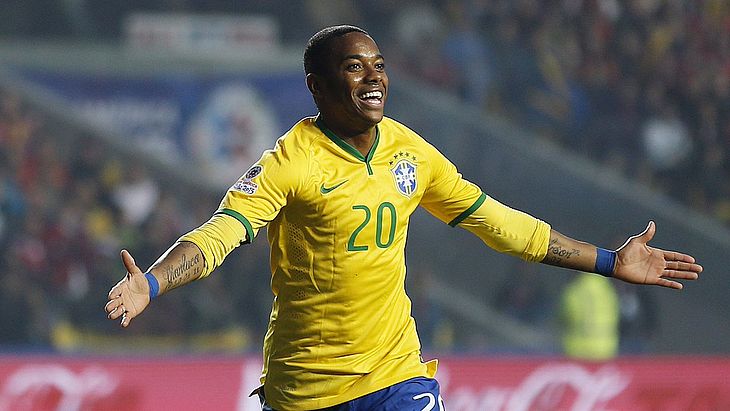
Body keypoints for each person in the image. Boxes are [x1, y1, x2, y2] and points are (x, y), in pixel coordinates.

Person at [105, 25, 702, 411]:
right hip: (306, 389)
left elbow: (495, 222)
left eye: (378, 64)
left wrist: (607, 261)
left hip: (395, 375)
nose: (374, 78)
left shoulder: (409, 151)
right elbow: (220, 234)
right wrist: (151, 282)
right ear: (317, 86)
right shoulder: (291, 162)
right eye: (354, 67)